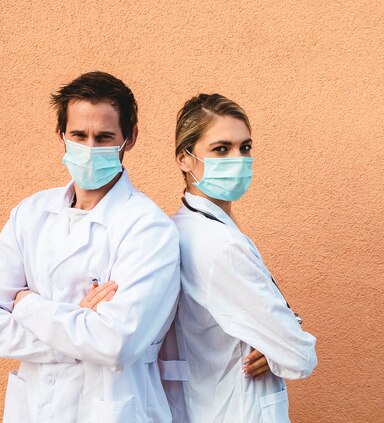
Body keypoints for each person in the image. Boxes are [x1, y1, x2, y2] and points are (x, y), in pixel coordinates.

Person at [0, 71, 180, 423]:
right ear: (61, 135)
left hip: (114, 411)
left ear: (130, 138)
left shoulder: (149, 228)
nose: (90, 149)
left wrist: (28, 305)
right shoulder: (30, 214)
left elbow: (115, 343)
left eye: (104, 137)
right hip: (33, 409)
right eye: (79, 135)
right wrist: (80, 325)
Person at [160, 94, 317, 422]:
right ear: (184, 159)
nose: (238, 158)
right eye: (221, 149)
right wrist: (279, 343)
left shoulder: (185, 228)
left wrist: (276, 335)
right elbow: (299, 356)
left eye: (245, 148)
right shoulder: (221, 247)